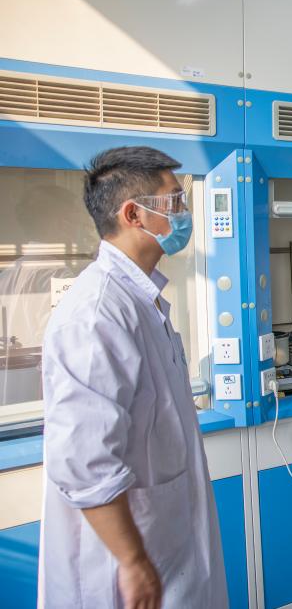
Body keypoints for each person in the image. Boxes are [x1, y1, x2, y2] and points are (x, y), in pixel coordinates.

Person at [39, 146, 228, 608]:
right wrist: (132, 560)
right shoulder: (97, 313)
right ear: (133, 214)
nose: (184, 212)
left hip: (166, 539)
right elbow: (84, 462)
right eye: (174, 200)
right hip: (120, 566)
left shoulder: (141, 299)